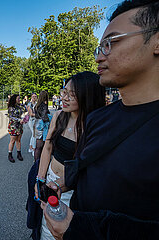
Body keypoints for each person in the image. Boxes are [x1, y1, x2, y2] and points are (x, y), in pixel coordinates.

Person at [41, 1, 159, 239]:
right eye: (99, 47)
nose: (98, 57)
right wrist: (63, 184)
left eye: (111, 43)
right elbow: (88, 168)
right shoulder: (99, 118)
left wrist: (83, 228)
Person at [32, 72, 105, 240]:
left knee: (65, 232)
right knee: (45, 228)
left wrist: (57, 185)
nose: (63, 98)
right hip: (49, 178)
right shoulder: (59, 115)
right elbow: (48, 147)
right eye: (64, 92)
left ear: (87, 96)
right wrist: (40, 179)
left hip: (72, 188)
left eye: (71, 95)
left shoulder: (94, 126)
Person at [7, 94, 26, 163]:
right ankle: (10, 155)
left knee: (19, 140)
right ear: (14, 99)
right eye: (18, 98)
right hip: (13, 126)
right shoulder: (11, 107)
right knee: (12, 140)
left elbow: (25, 111)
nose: (19, 99)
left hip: (19, 125)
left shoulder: (20, 106)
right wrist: (19, 120)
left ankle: (19, 154)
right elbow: (11, 116)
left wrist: (24, 119)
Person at [33, 91, 51, 162]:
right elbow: (44, 117)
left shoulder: (37, 105)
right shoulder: (43, 105)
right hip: (42, 126)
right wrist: (50, 117)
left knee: (38, 146)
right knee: (41, 146)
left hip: (37, 124)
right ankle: (39, 163)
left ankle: (36, 162)